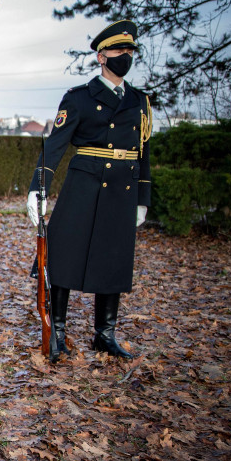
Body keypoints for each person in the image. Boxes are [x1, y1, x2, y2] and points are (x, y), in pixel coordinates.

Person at [27, 20, 152, 362]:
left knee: (114, 259)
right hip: (83, 185)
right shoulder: (79, 98)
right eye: (117, 51)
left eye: (129, 51)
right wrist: (38, 189)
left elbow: (144, 153)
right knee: (64, 255)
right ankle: (59, 332)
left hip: (121, 190)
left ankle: (105, 334)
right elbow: (55, 146)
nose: (124, 56)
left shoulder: (140, 101)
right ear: (101, 57)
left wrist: (143, 198)